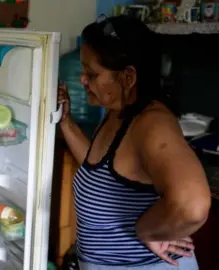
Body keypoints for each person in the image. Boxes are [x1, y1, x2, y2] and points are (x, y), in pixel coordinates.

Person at [58, 15, 211, 270]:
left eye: (91, 73)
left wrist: (148, 231)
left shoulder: (152, 124)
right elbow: (99, 169)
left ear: (128, 77)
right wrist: (66, 121)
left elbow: (192, 205)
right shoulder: (118, 112)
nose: (83, 80)